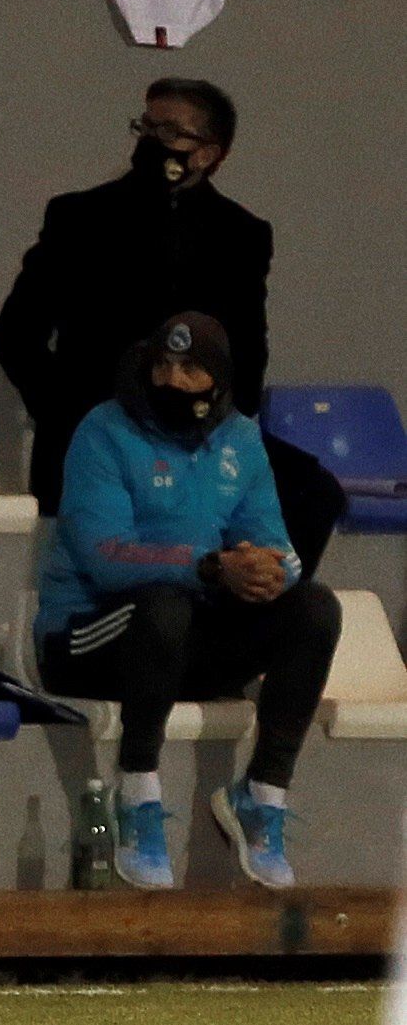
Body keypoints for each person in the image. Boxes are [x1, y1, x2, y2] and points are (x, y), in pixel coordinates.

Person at [35, 313, 341, 891]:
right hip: (85, 636)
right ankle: (138, 799)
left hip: (178, 641)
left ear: (217, 382)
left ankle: (261, 795)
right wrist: (210, 567)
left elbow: (274, 539)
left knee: (315, 609)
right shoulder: (104, 431)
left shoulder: (240, 438)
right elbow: (105, 556)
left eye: (190, 368)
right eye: (163, 365)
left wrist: (270, 569)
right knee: (164, 604)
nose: (172, 380)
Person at [0, 79, 343, 570]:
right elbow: (14, 333)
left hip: (196, 426)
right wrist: (63, 412)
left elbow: (247, 349)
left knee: (312, 491)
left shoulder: (241, 235)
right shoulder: (81, 218)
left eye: (171, 131)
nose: (150, 140)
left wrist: (220, 430)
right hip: (99, 422)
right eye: (147, 125)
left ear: (208, 154)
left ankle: (253, 612)